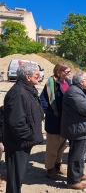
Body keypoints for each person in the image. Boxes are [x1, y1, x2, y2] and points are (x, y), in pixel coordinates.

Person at [3, 62, 44, 193]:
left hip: (22, 142)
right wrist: (29, 135)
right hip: (18, 143)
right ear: (28, 77)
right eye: (37, 75)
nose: (40, 76)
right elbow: (16, 122)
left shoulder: (26, 90)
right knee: (15, 177)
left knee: (18, 176)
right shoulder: (18, 93)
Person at [40, 62, 71, 180]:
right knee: (52, 147)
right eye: (66, 71)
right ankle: (50, 168)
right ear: (59, 72)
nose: (69, 74)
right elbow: (43, 99)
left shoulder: (68, 82)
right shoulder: (51, 83)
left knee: (62, 145)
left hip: (65, 119)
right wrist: (51, 111)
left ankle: (58, 165)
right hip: (54, 120)